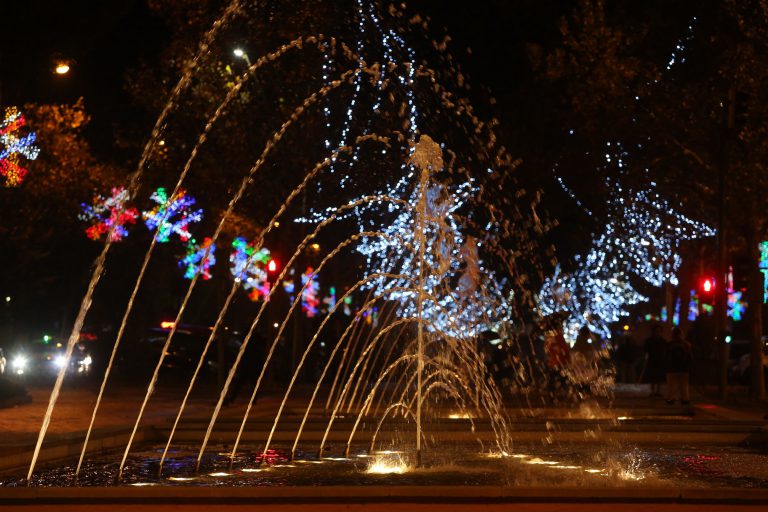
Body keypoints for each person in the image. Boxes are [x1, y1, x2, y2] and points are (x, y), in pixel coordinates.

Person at [664, 327, 692, 405]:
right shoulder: (686, 344)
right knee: (684, 385)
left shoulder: (669, 344)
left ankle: (671, 398)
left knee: (671, 385)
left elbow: (666, 356)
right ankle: (685, 399)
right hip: (683, 368)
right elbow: (690, 356)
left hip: (672, 368)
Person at [643, 324, 667, 396]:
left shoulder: (663, 341)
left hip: (660, 360)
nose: (657, 333)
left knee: (659, 376)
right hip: (652, 360)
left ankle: (658, 391)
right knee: (652, 376)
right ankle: (653, 391)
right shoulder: (649, 341)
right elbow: (645, 350)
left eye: (659, 331)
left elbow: (665, 350)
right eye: (656, 331)